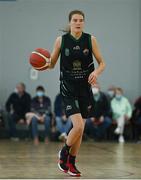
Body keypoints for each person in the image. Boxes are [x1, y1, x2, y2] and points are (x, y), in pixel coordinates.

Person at [48, 10, 105, 176]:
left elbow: (102, 63)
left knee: (80, 129)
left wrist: (96, 73)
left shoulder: (90, 39)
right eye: (75, 20)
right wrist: (43, 63)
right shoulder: (61, 41)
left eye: (81, 20)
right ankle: (64, 152)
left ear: (84, 22)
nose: (78, 22)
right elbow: (51, 64)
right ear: (70, 22)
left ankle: (71, 163)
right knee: (78, 125)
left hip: (85, 88)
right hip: (68, 88)